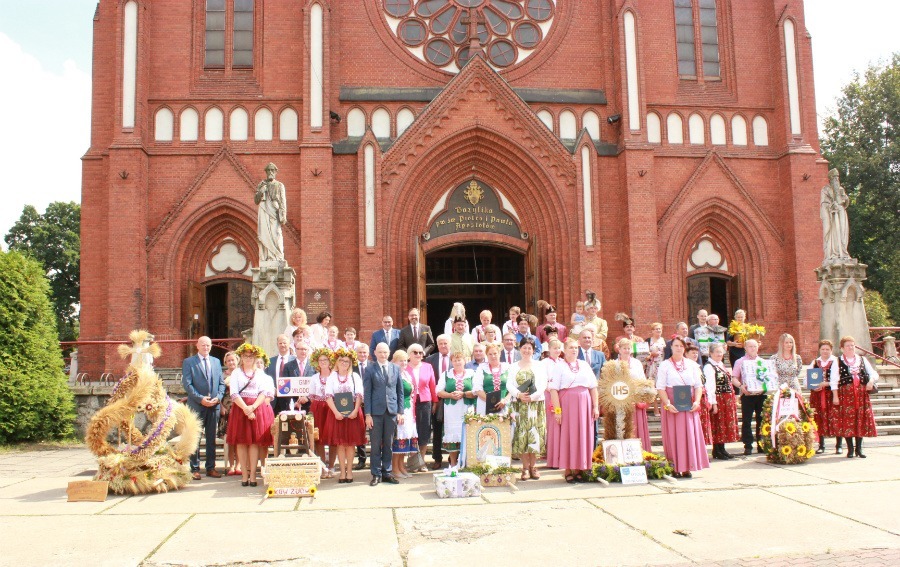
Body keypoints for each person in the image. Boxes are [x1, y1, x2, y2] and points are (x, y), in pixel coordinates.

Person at [657, 336, 710, 478]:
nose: (679, 348)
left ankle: (688, 467)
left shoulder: (692, 365)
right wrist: (667, 404)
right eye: (676, 345)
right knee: (674, 436)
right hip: (672, 404)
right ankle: (675, 467)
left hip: (689, 403)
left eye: (681, 346)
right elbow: (660, 388)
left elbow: (698, 386)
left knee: (689, 436)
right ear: (671, 348)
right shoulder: (665, 365)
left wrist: (697, 402)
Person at [548, 338, 599, 483]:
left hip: (584, 403)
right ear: (564, 350)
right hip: (567, 404)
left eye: (576, 347)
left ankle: (580, 468)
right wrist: (558, 411)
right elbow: (553, 390)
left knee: (582, 434)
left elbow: (593, 387)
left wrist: (595, 406)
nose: (574, 350)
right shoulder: (559, 366)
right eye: (571, 347)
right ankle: (568, 469)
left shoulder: (584, 365)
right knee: (568, 435)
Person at [226, 343, 275, 487]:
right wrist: (246, 409)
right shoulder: (236, 373)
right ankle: (244, 474)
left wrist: (253, 407)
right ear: (241, 356)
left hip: (256, 407)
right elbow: (234, 393)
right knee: (241, 442)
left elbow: (264, 392)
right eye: (245, 356)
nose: (248, 358)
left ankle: (253, 474)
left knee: (254, 442)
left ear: (255, 358)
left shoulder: (259, 373)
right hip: (240, 408)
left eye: (251, 356)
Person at [181, 336, 225, 480]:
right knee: (196, 437)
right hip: (197, 406)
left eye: (208, 345)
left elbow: (221, 383)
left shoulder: (216, 362)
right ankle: (194, 468)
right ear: (197, 346)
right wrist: (201, 399)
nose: (206, 347)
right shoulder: (189, 362)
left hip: (213, 406)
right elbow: (187, 384)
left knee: (211, 438)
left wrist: (218, 397)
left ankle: (211, 467)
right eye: (203, 345)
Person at [830, 336, 878, 458]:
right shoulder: (838, 361)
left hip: (861, 395)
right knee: (847, 421)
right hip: (846, 395)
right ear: (842, 348)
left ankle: (859, 449)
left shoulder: (862, 359)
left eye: (852, 345)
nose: (851, 347)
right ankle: (850, 449)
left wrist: (871, 381)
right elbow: (834, 380)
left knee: (860, 420)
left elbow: (873, 373)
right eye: (848, 345)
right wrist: (835, 397)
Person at [364, 343, 404, 486]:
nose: (383, 355)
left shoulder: (395, 368)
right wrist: (367, 414)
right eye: (380, 352)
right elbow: (367, 393)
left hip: (391, 411)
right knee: (375, 445)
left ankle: (387, 472)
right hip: (375, 412)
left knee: (388, 444)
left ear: (389, 353)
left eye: (385, 352)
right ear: (375, 352)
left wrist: (400, 411)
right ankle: (376, 474)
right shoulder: (369, 369)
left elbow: (400, 391)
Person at [507, 337, 547, 479]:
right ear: (520, 348)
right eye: (524, 347)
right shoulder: (513, 366)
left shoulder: (539, 366)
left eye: (529, 348)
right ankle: (524, 468)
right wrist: (518, 394)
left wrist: (533, 396)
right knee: (522, 435)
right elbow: (509, 385)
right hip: (520, 405)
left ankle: (534, 466)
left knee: (534, 434)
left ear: (533, 349)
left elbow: (543, 384)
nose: (526, 350)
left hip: (535, 405)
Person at [323, 348, 366, 483]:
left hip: (353, 413)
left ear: (350, 363)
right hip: (337, 414)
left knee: (351, 444)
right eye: (341, 360)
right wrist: (336, 412)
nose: (344, 363)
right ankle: (342, 472)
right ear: (337, 362)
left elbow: (359, 394)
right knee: (340, 444)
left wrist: (355, 410)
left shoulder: (355, 376)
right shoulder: (332, 377)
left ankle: (349, 472)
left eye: (347, 361)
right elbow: (328, 396)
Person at [436, 350, 476, 466]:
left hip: (467, 407)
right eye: (455, 360)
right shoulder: (446, 374)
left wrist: (463, 394)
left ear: (464, 361)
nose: (457, 362)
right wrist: (450, 395)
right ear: (451, 362)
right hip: (451, 411)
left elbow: (476, 390)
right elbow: (438, 391)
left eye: (459, 360)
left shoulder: (471, 373)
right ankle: (453, 463)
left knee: (467, 433)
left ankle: (467, 463)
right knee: (453, 434)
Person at [732, 339, 770, 455]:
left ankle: (760, 444)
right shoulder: (740, 361)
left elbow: (768, 378)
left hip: (760, 394)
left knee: (761, 419)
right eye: (750, 346)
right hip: (747, 395)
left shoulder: (763, 362)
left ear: (758, 347)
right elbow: (734, 378)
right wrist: (741, 387)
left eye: (754, 346)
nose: (752, 348)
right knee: (747, 420)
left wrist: (765, 387)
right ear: (745, 348)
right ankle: (748, 445)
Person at [703, 344, 740, 460]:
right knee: (718, 424)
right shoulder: (709, 367)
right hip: (719, 399)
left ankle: (722, 448)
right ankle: (717, 450)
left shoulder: (720, 364)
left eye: (721, 352)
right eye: (717, 352)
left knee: (723, 424)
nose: (719, 354)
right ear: (711, 353)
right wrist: (713, 403)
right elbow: (710, 386)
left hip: (726, 399)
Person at [615, 337, 652, 452]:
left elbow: (642, 380)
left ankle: (641, 452)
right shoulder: (614, 364)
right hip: (621, 399)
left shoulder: (636, 363)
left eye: (629, 348)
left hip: (636, 398)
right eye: (624, 348)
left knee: (638, 425)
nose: (627, 350)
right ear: (619, 350)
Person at [406, 343, 437, 472]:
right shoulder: (404, 368)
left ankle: (422, 462)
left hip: (425, 401)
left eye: (420, 352)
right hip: (409, 403)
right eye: (415, 352)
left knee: (424, 432)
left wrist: (435, 402)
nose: (418, 355)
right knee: (412, 432)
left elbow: (432, 385)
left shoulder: (428, 367)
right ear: (409, 354)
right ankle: (413, 462)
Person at [425, 335, 451, 469]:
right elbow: (429, 382)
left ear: (450, 344)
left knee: (452, 429)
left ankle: (454, 458)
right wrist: (435, 400)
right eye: (440, 344)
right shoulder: (430, 360)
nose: (443, 346)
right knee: (437, 430)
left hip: (453, 400)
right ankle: (437, 458)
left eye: (445, 343)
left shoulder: (457, 359)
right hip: (436, 400)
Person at [809, 340, 840, 454]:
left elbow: (838, 379)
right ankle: (821, 445)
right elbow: (808, 379)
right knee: (819, 419)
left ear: (831, 350)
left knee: (835, 417)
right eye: (823, 349)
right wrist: (813, 386)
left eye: (827, 349)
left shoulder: (836, 361)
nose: (825, 351)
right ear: (819, 350)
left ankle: (839, 445)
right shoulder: (815, 362)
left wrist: (826, 384)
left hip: (831, 393)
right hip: (817, 395)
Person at [391, 350, 418, 477]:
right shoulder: (393, 375)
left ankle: (401, 467)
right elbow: (393, 396)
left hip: (408, 410)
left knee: (405, 439)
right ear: (394, 361)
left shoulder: (406, 374)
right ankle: (395, 468)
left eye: (405, 360)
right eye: (400, 360)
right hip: (399, 411)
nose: (403, 363)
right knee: (398, 440)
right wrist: (398, 412)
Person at [309, 347, 335, 476]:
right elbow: (312, 395)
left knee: (333, 436)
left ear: (330, 361)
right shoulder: (314, 378)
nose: (323, 362)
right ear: (317, 362)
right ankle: (322, 466)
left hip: (332, 407)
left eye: (325, 359)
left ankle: (331, 466)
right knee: (318, 437)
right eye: (320, 360)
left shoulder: (335, 376)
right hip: (318, 408)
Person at [254, 162, 286, 263]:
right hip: (264, 210)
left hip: (274, 211)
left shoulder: (279, 185)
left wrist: (283, 214)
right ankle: (267, 256)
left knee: (276, 233)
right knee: (264, 232)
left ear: (276, 172)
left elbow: (283, 200)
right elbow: (256, 200)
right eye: (269, 170)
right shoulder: (262, 184)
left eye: (273, 170)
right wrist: (261, 192)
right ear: (266, 172)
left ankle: (277, 255)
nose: (270, 172)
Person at [684, 344, 712, 447]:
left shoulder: (698, 366)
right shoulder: (686, 366)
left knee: (702, 424)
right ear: (686, 354)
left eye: (696, 353)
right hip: (691, 397)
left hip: (702, 397)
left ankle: (701, 449)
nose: (695, 355)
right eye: (693, 353)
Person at [473, 343, 511, 416]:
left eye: (495, 353)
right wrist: (491, 402)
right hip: (485, 404)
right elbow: (478, 389)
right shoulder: (481, 368)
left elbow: (512, 387)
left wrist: (505, 400)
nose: (493, 356)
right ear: (486, 355)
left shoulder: (507, 367)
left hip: (504, 404)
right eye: (490, 354)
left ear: (499, 354)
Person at [219, 351, 240, 476]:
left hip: (239, 409)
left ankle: (239, 465)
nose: (231, 362)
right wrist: (221, 407)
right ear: (225, 363)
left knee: (239, 439)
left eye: (233, 360)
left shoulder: (241, 374)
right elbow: (218, 393)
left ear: (237, 361)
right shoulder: (222, 376)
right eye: (229, 361)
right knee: (229, 440)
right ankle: (230, 466)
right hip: (226, 410)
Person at [268, 334, 300, 415]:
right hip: (274, 400)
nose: (282, 345)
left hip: (291, 400)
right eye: (280, 343)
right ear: (277, 344)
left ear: (289, 344)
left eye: (285, 343)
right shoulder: (270, 361)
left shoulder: (296, 361)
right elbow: (267, 379)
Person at [353, 343, 371, 471]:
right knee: (359, 431)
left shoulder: (373, 366)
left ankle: (377, 458)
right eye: (360, 353)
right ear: (356, 354)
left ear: (368, 354)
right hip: (357, 404)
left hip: (371, 404)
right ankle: (361, 459)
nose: (363, 355)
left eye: (365, 352)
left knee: (374, 431)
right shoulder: (351, 367)